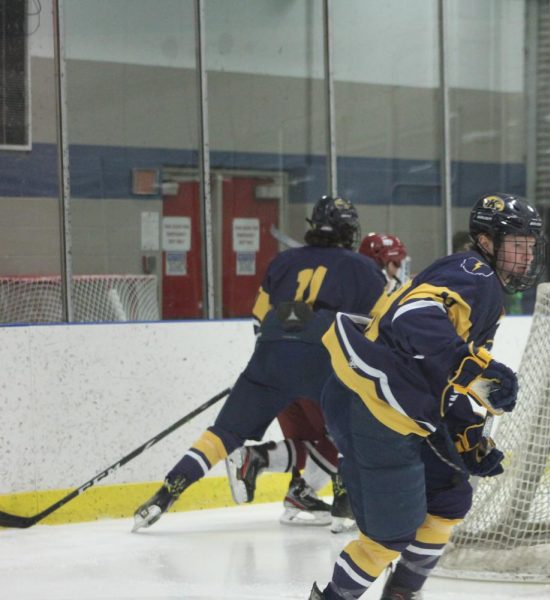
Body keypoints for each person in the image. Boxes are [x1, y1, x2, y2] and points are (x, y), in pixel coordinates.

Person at [308, 193, 547, 600]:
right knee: (388, 538)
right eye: (516, 244)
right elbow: (413, 319)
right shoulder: (475, 273)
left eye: (530, 246)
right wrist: (474, 369)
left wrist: (464, 429)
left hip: (384, 402)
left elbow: (437, 369)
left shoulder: (477, 281)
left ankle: (401, 594)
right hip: (376, 409)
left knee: (449, 498)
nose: (525, 256)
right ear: (487, 242)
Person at [132, 196, 386, 531]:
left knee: (222, 435)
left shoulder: (282, 263)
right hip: (324, 357)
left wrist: (279, 357)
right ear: (349, 231)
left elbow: (258, 319)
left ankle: (165, 494)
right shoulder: (364, 269)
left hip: (270, 353)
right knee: (349, 429)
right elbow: (380, 328)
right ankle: (344, 504)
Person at [226, 232, 410, 533]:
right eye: (394, 264)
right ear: (381, 263)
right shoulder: (369, 290)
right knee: (350, 437)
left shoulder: (337, 281)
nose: (398, 271)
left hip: (286, 378)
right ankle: (343, 505)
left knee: (317, 444)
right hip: (320, 382)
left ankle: (292, 486)